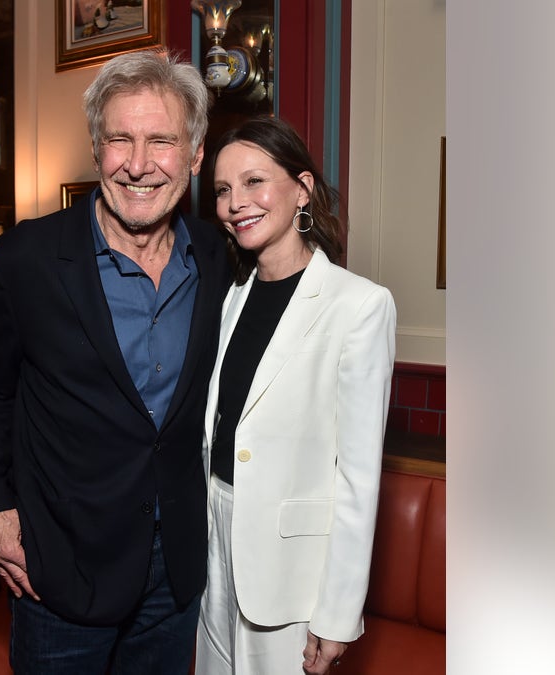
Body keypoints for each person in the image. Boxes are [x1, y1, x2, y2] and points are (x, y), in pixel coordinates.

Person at [0, 50, 230, 674]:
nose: (138, 164)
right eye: (119, 140)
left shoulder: (218, 258)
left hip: (177, 568)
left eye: (161, 140)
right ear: (94, 149)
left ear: (194, 155)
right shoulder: (27, 257)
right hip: (60, 564)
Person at [194, 116, 397, 675]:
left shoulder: (359, 305)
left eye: (255, 182)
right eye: (222, 190)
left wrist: (337, 613)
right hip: (213, 553)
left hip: (291, 577)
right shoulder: (230, 299)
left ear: (301, 188)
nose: (237, 202)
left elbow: (359, 478)